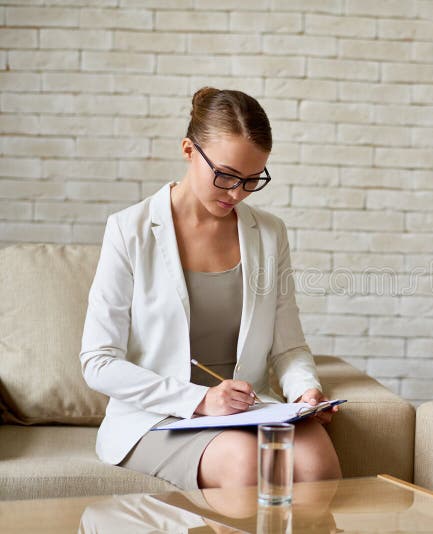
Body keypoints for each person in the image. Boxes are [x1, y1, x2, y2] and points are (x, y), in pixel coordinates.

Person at [80, 87, 342, 490]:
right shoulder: (129, 230)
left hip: (248, 409)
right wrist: (199, 401)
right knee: (242, 463)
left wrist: (306, 391)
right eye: (226, 176)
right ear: (188, 150)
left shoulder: (269, 234)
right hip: (159, 416)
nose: (237, 193)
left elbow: (288, 346)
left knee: (317, 461)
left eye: (253, 180)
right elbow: (98, 361)